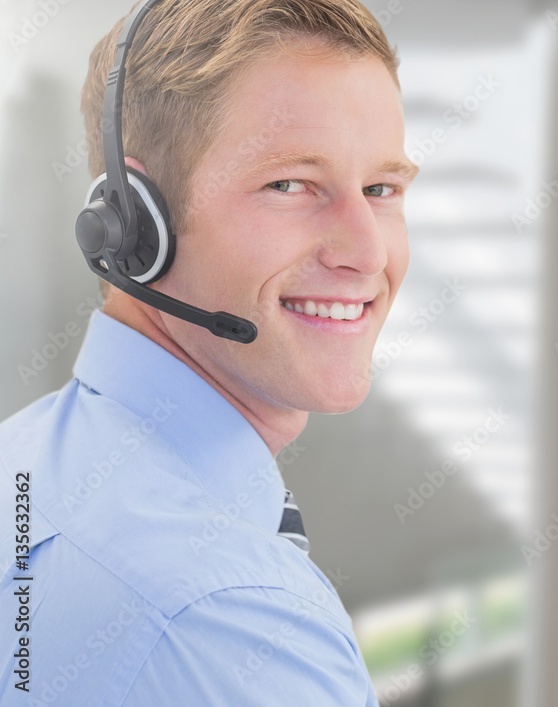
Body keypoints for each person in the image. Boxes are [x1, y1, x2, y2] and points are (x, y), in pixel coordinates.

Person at [0, 0, 418, 703]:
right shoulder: (231, 613)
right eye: (290, 185)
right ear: (134, 224)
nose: (368, 251)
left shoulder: (23, 459)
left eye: (381, 188)